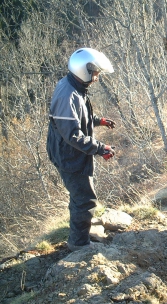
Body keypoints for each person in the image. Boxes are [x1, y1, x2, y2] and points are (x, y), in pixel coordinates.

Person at [46, 47, 116, 251]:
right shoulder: (68, 95)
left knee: (79, 196)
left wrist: (98, 121)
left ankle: (79, 236)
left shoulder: (74, 86)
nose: (97, 77)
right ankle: (79, 245)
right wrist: (101, 148)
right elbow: (73, 135)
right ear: (83, 70)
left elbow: (79, 118)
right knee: (85, 199)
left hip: (68, 153)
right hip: (69, 157)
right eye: (95, 73)